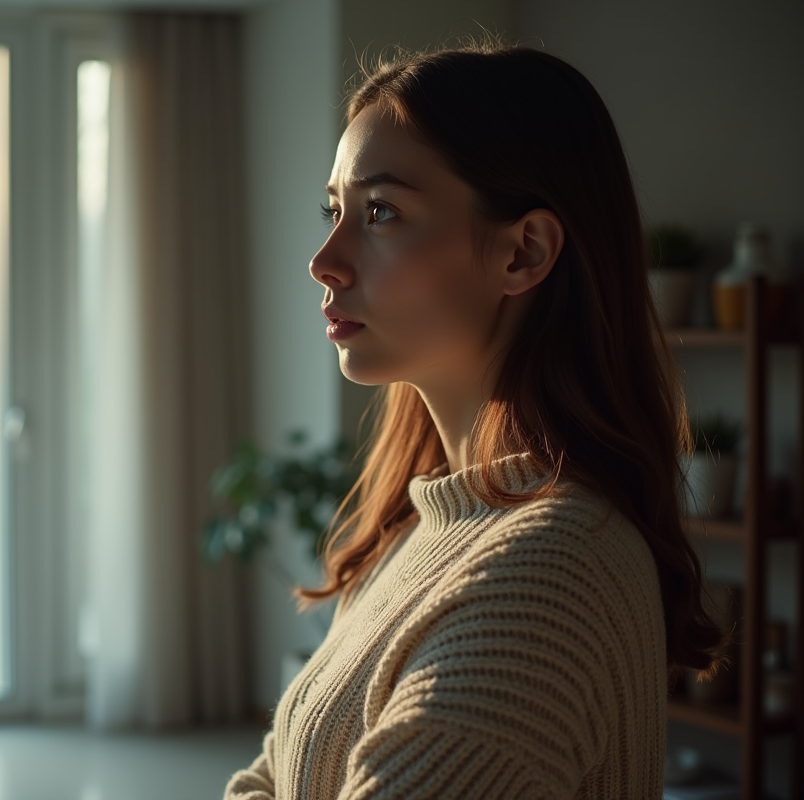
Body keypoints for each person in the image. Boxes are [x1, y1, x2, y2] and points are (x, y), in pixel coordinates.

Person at [225, 41, 724, 800]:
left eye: (381, 212)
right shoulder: (425, 527)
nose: (324, 259)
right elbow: (270, 775)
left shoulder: (552, 573)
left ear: (523, 252)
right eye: (335, 211)